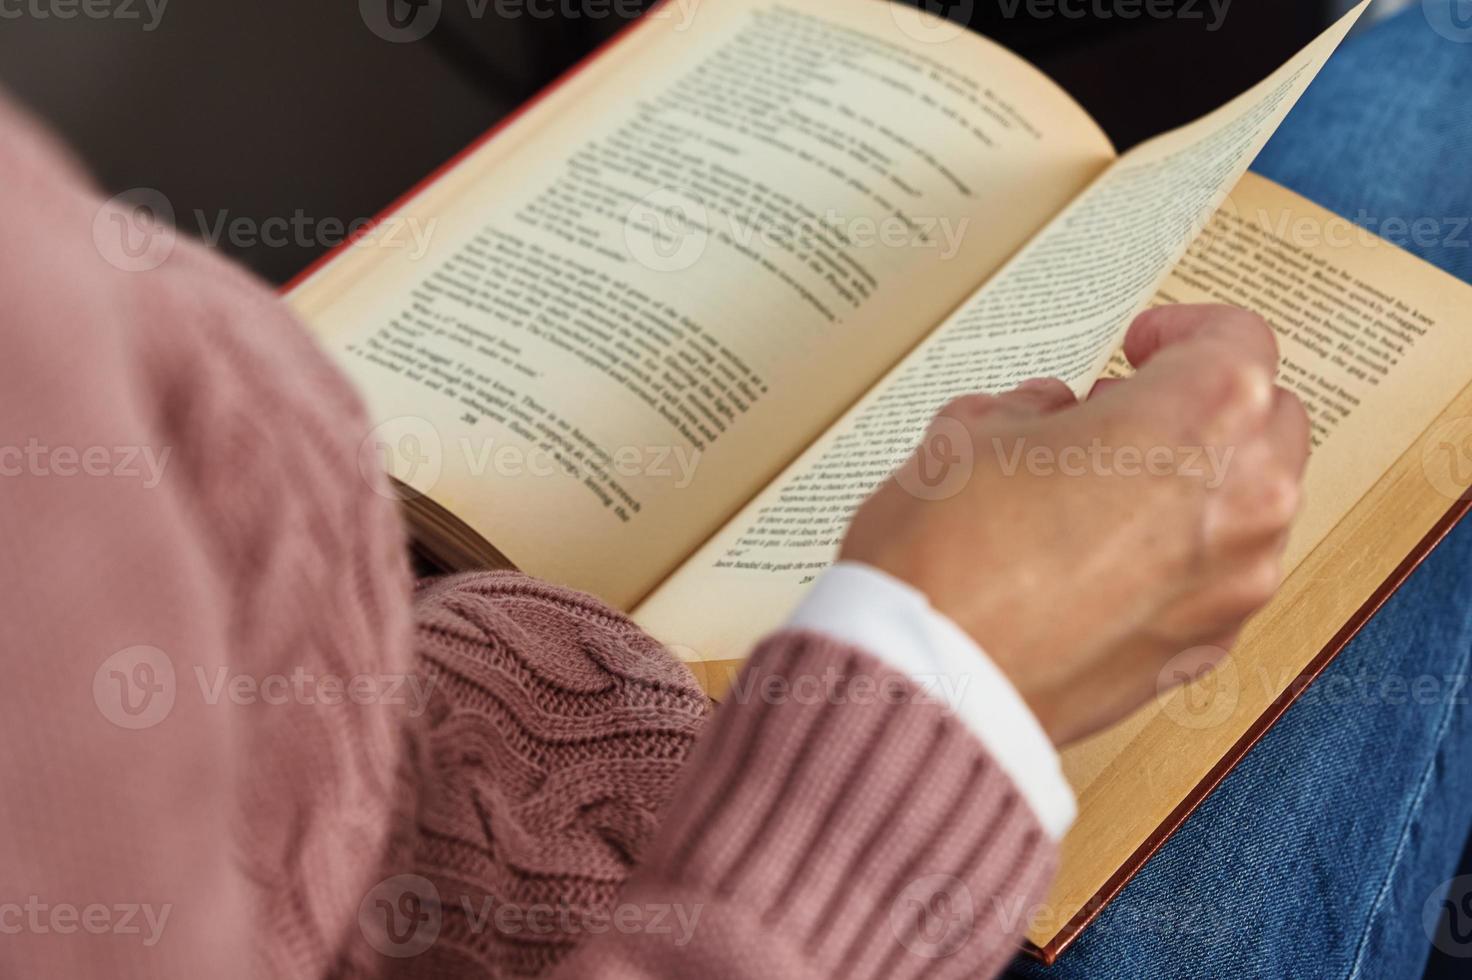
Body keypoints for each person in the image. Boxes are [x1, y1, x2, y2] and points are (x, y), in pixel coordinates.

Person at [0, 7, 1464, 980]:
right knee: (1435, 93)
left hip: (606, 792)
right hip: (864, 879)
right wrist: (952, 682)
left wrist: (547, 710)